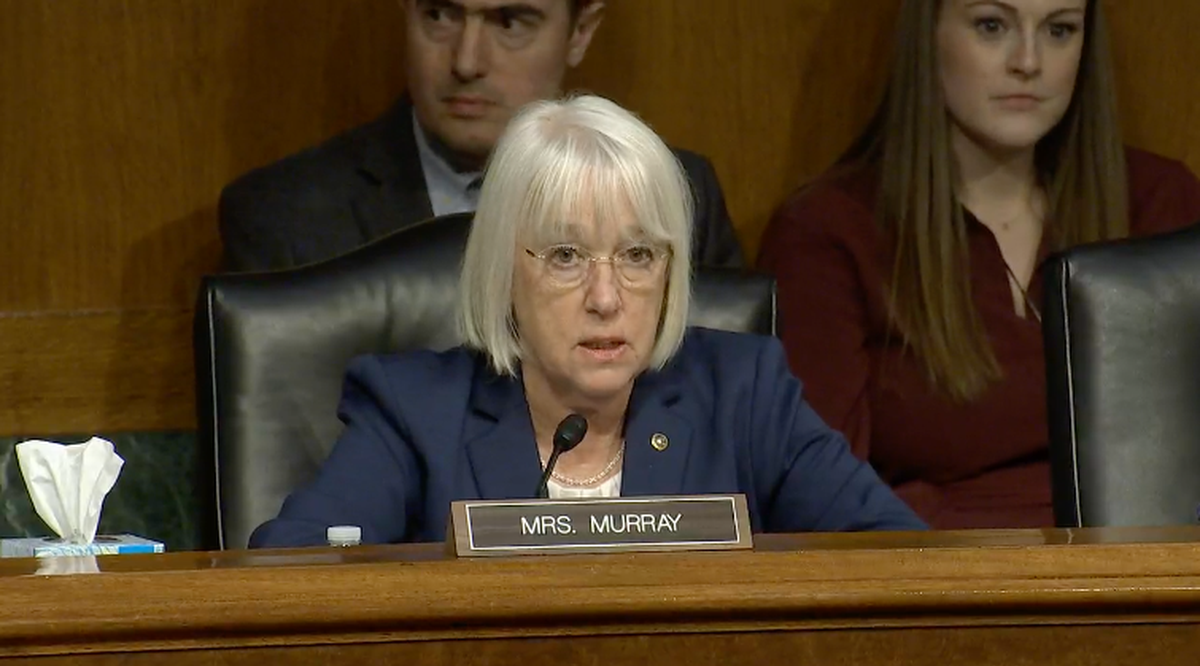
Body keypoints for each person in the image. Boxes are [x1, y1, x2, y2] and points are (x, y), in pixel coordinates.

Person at [249, 95, 924, 547]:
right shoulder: (416, 413)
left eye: (637, 254)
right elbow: (293, 576)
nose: (607, 296)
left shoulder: (744, 395)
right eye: (567, 255)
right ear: (504, 270)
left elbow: (897, 561)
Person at [758, 0, 1200, 530]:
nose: (1029, 61)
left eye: (1059, 30)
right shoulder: (831, 230)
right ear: (929, 36)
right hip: (937, 586)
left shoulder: (1160, 205)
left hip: (1148, 583)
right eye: (992, 26)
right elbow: (814, 498)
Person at [219, 0, 743, 272]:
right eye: (441, 15)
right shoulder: (287, 220)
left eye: (510, 22)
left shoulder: (675, 195)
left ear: (580, 31)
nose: (466, 61)